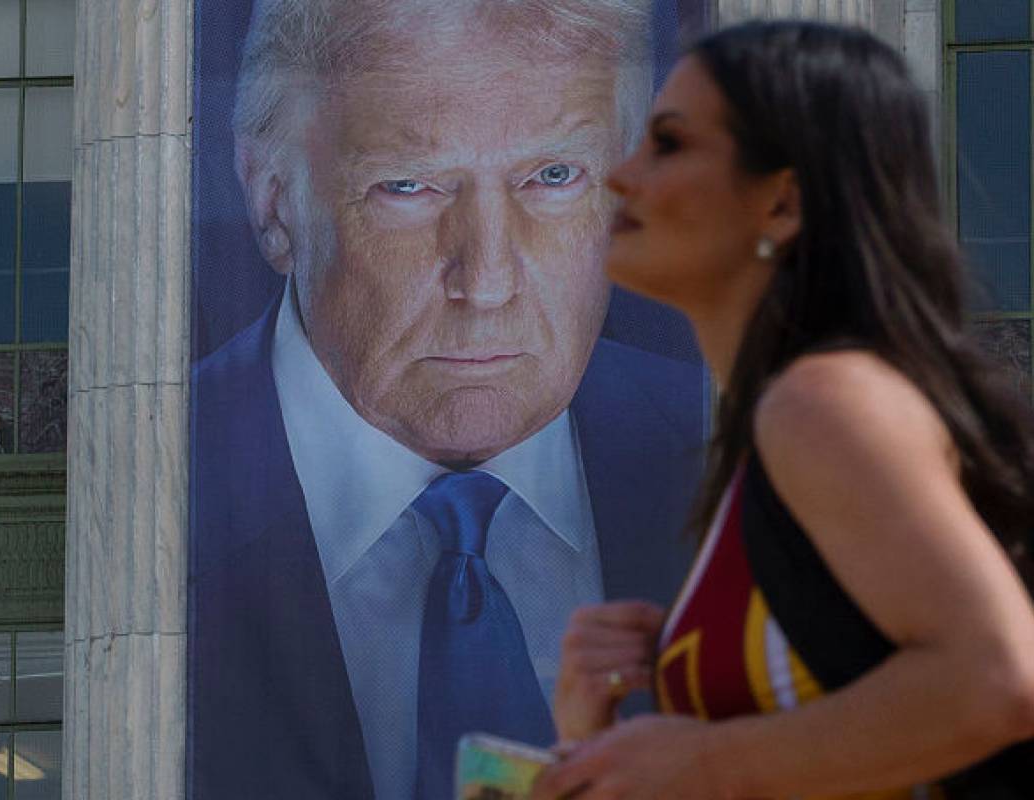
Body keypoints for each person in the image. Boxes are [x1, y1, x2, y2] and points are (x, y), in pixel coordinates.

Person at [534, 20, 1034, 800]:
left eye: (669, 143)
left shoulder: (821, 404)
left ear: (783, 202)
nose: (621, 176)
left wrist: (704, 761)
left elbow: (999, 679)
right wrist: (595, 745)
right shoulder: (780, 430)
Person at [188, 1, 705, 797]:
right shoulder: (159, 478)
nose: (488, 282)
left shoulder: (741, 457)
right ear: (272, 200)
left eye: (554, 176)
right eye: (409, 186)